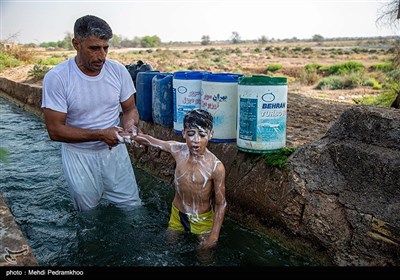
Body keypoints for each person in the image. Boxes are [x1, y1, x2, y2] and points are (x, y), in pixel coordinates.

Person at [41, 15, 141, 211]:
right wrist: (100, 135)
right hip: (79, 157)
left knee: (132, 208)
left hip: (115, 154)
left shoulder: (118, 71)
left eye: (105, 48)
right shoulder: (58, 78)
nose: (102, 56)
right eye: (94, 48)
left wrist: (130, 126)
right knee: (88, 216)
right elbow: (55, 131)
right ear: (76, 44)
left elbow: (130, 109)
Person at [129, 108, 227, 249]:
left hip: (202, 219)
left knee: (205, 255)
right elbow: (151, 141)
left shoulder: (216, 167)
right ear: (183, 133)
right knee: (169, 248)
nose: (196, 140)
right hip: (177, 214)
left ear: (211, 135)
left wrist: (214, 236)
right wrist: (129, 135)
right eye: (191, 134)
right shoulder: (178, 150)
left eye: (202, 135)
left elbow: (221, 204)